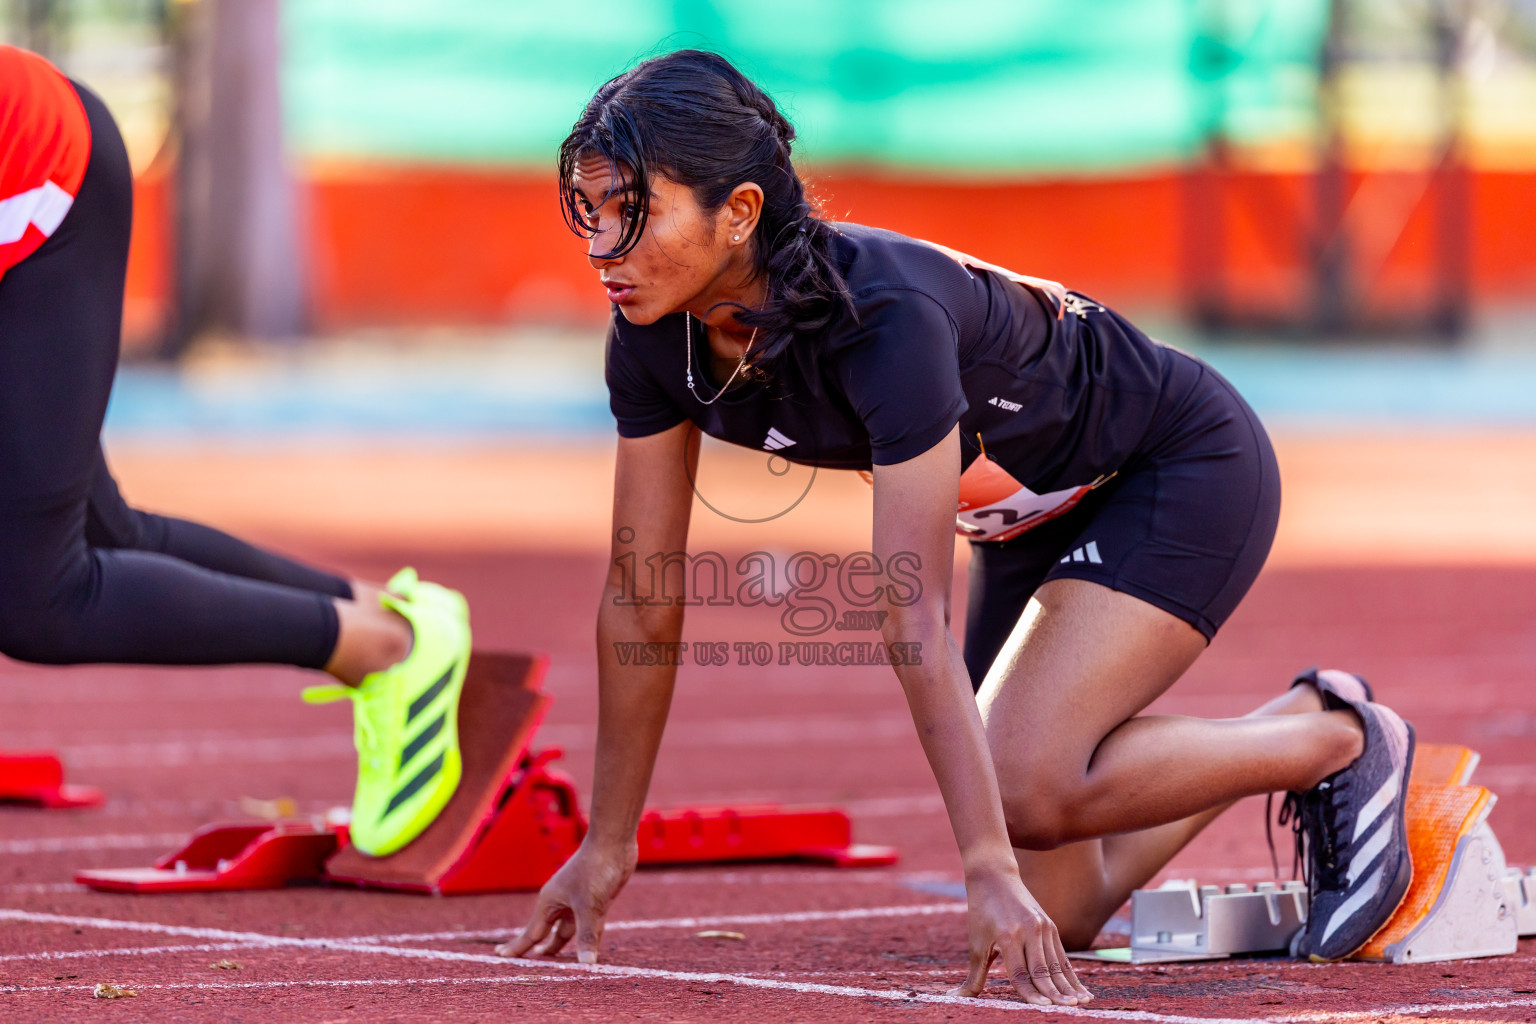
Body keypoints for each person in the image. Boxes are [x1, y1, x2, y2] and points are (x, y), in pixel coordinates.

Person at [501, 49, 1416, 1002]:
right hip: (1020, 526)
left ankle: (1339, 740)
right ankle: (1284, 728)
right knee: (1057, 905)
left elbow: (908, 613)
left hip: (1173, 463)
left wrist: (983, 863)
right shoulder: (653, 336)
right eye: (590, 212)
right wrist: (608, 845)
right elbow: (641, 599)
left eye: (631, 212)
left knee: (1021, 787)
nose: (601, 247)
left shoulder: (883, 319)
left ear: (738, 212)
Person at [0, 44, 470, 856]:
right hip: (31, 151)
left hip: (45, 175)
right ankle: (386, 613)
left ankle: (385, 652)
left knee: (38, 596)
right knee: (101, 533)